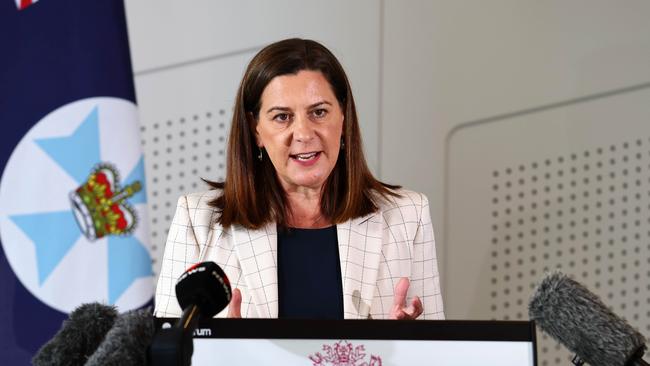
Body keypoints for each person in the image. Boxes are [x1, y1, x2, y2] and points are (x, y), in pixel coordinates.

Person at [154, 38, 444, 320]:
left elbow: (438, 355)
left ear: (343, 118)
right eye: (282, 117)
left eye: (319, 112)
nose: (304, 134)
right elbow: (168, 352)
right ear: (256, 130)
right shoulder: (198, 221)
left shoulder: (408, 215)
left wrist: (408, 346)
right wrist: (223, 351)